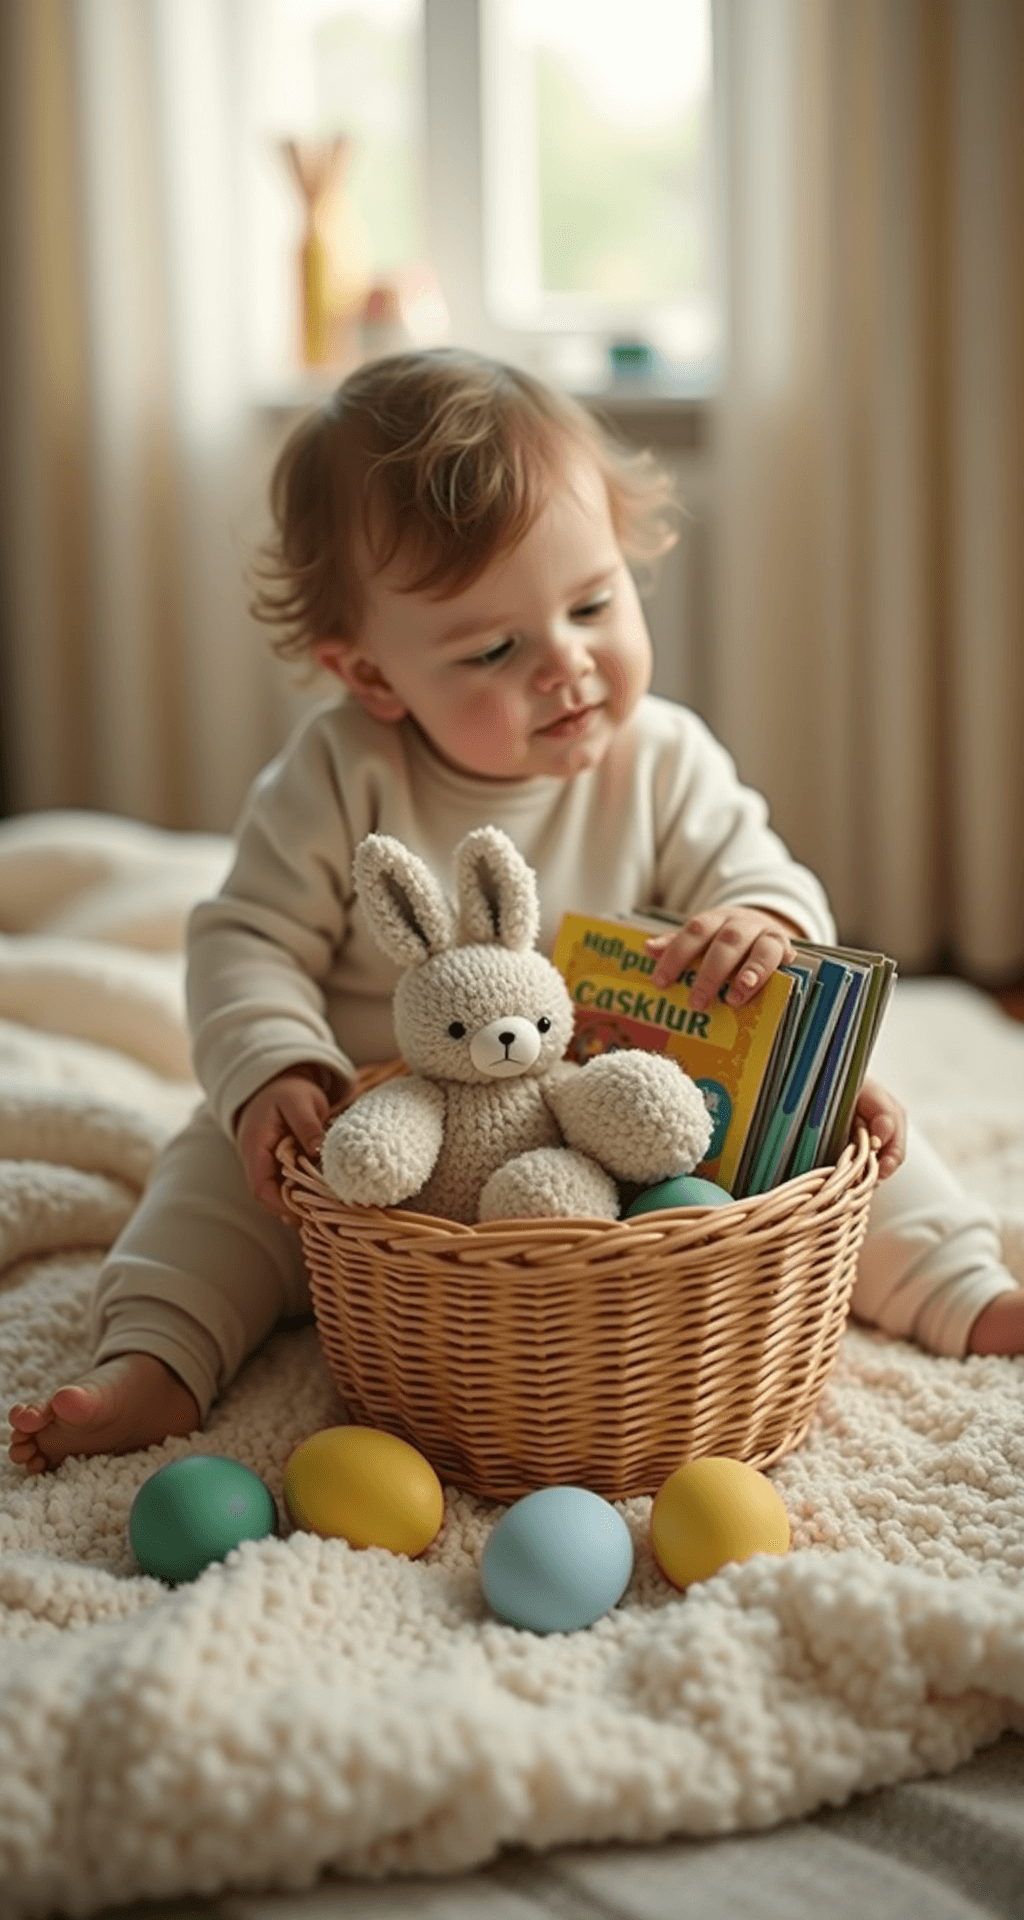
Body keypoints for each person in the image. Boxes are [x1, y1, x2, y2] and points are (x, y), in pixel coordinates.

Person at [8, 349, 1021, 1474]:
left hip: (620, 1126)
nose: (568, 665)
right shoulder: (342, 773)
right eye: (495, 648)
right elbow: (245, 938)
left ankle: (961, 1290)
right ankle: (154, 1358)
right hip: (381, 1164)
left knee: (851, 1139)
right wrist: (274, 1070)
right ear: (374, 676)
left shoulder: (661, 757)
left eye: (593, 603)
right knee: (211, 1182)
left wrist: (759, 919)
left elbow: (757, 868)